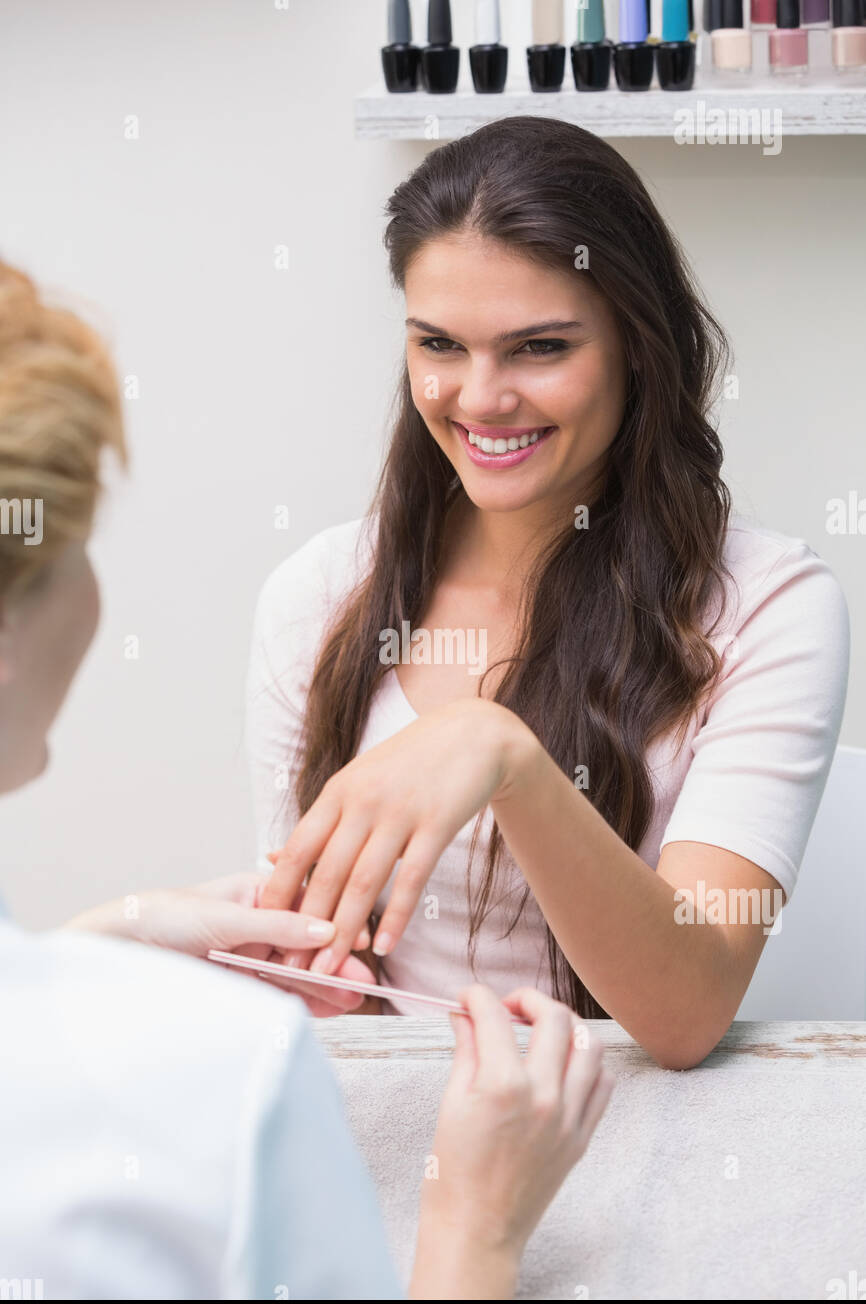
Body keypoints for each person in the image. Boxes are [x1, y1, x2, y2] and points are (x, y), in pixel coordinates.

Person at [0, 259, 613, 1301]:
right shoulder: (227, 1075)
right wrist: (475, 1228)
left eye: (539, 345)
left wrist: (101, 943)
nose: (482, 392)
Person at [251, 117, 849, 1070]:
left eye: (538, 348)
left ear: (638, 348)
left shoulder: (768, 608)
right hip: (406, 1136)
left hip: (638, 1132)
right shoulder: (321, 595)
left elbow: (687, 1012)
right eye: (440, 344)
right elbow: (324, 989)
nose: (480, 398)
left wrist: (505, 756)